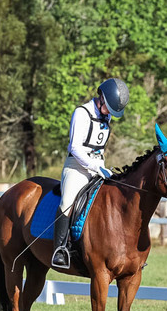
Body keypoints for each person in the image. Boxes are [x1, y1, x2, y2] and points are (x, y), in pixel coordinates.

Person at [51, 78, 130, 269]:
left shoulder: (107, 116)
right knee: (68, 201)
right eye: (108, 109)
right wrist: (95, 167)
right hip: (77, 166)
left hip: (98, 166)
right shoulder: (82, 113)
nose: (109, 114)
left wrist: (101, 166)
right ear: (101, 97)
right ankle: (60, 249)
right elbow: (75, 147)